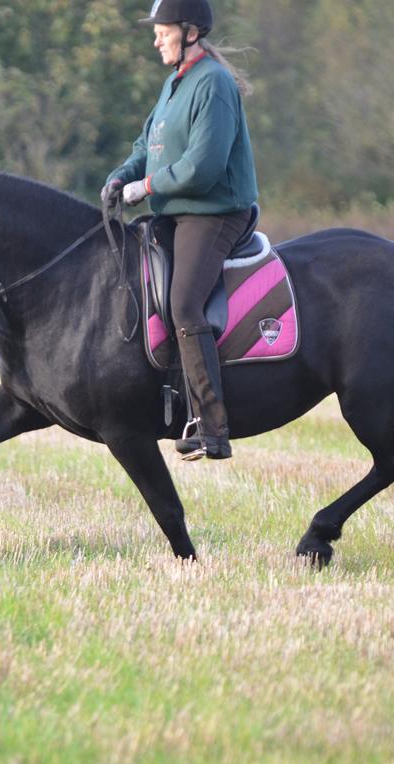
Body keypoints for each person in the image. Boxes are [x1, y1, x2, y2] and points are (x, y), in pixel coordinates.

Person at [101, 0, 258, 461]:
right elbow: (144, 147)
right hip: (175, 213)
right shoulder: (174, 85)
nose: (155, 39)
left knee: (185, 303)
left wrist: (144, 187)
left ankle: (213, 426)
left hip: (213, 213)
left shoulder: (214, 83)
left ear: (190, 32)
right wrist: (119, 175)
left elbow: (204, 168)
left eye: (162, 31)